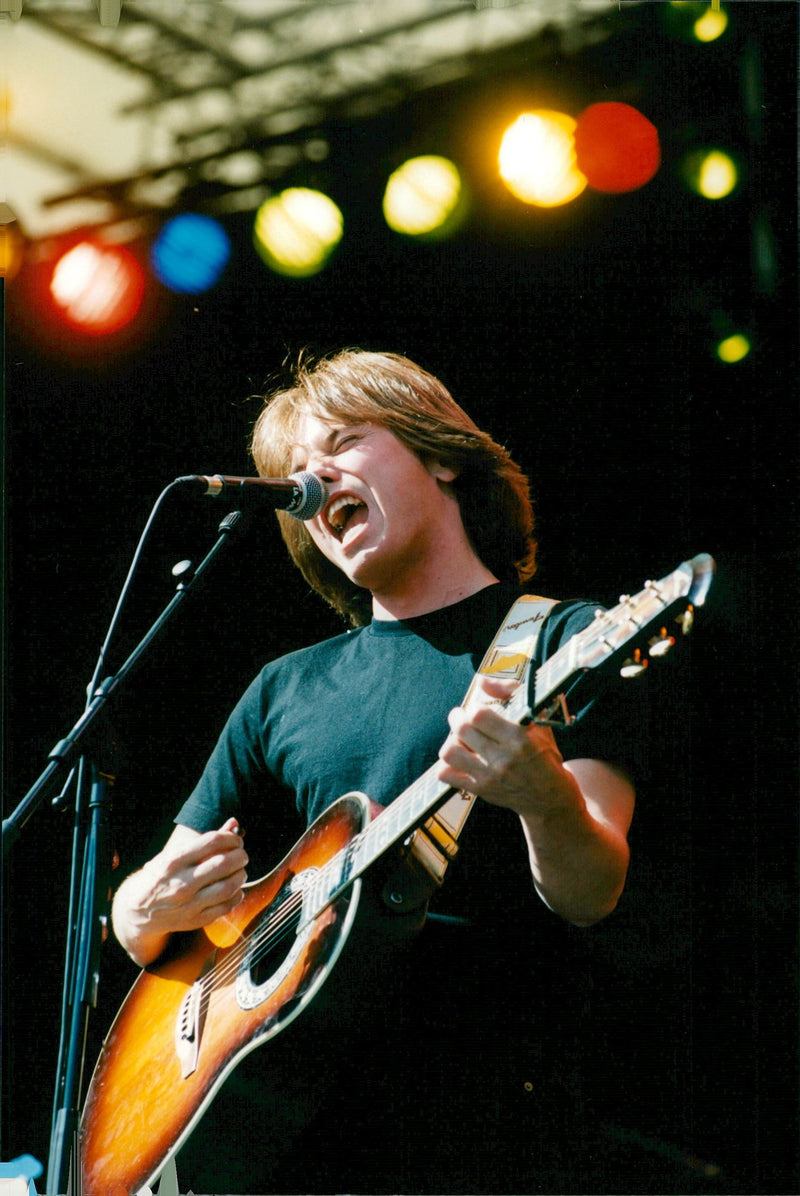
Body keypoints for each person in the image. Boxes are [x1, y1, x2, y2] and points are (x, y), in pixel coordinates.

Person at [110, 349, 637, 1194]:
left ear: (441, 455)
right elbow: (160, 925)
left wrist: (544, 799)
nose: (314, 481)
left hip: (480, 1127)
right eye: (294, 476)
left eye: (345, 443)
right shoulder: (284, 687)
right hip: (289, 1138)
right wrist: (135, 909)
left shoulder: (560, 643)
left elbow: (591, 890)